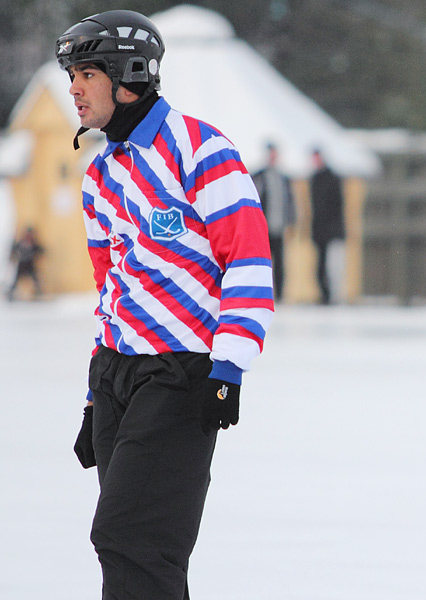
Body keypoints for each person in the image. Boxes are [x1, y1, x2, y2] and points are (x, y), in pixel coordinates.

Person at [56, 10, 274, 599]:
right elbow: (112, 292)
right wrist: (93, 393)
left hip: (180, 371)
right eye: (69, 72)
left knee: (134, 539)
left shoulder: (202, 152)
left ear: (128, 74)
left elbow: (248, 263)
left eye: (85, 72)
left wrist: (228, 370)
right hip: (117, 373)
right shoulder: (99, 174)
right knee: (130, 550)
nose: (72, 87)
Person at [252, 142, 297, 301]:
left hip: (278, 227)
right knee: (262, 263)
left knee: (279, 263)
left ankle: (279, 295)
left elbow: (290, 201)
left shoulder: (283, 178)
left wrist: (291, 221)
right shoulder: (258, 176)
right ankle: (262, 294)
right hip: (262, 229)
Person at [309, 148, 346, 304]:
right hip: (320, 232)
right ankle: (324, 296)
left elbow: (336, 207)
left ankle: (331, 296)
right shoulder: (315, 179)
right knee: (321, 267)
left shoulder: (332, 179)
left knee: (332, 267)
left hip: (331, 231)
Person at [6, 226, 44, 300]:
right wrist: (12, 255)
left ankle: (38, 293)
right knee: (16, 280)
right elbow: (14, 250)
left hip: (30, 265)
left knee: (35, 279)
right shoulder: (21, 243)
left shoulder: (33, 243)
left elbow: (39, 250)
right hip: (22, 265)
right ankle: (11, 293)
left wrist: (39, 252)